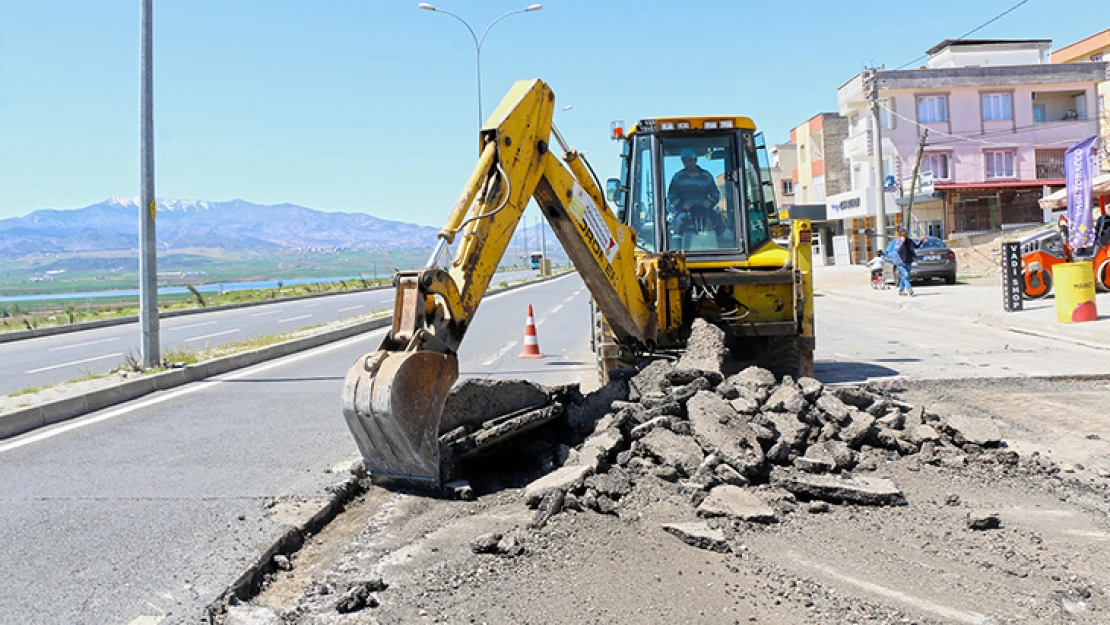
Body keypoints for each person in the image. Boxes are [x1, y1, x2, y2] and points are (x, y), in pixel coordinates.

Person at [667, 148, 724, 240]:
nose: (687, 163)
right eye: (685, 161)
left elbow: (715, 194)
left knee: (718, 221)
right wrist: (682, 205)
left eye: (690, 160)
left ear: (695, 160)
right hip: (685, 210)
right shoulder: (678, 177)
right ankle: (676, 248)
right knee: (679, 221)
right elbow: (671, 195)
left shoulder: (706, 176)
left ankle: (723, 244)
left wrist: (710, 202)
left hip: (705, 208)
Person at [893, 228, 921, 296]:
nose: (905, 236)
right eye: (903, 234)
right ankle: (909, 289)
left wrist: (921, 241)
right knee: (905, 274)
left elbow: (916, 246)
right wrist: (902, 242)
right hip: (901, 262)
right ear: (901, 235)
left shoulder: (909, 241)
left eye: (906, 234)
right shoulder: (898, 241)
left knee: (905, 276)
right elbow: (898, 250)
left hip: (909, 261)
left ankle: (901, 290)